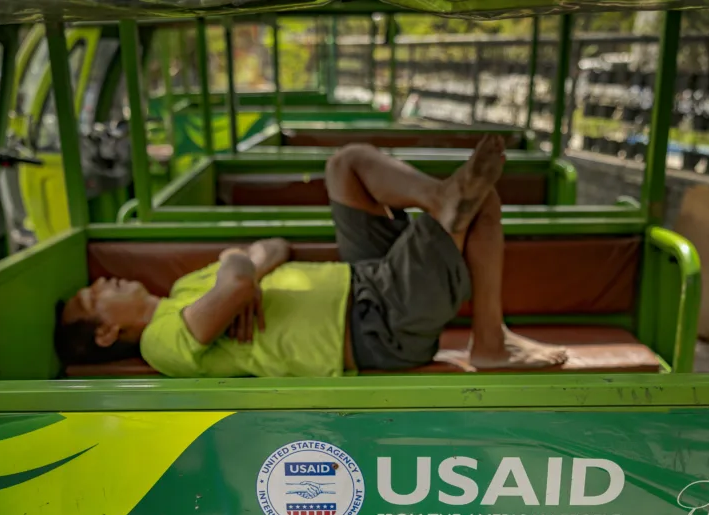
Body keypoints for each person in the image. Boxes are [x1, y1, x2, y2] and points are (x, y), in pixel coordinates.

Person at [55, 135, 567, 377]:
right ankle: (489, 340)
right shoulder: (159, 342)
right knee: (484, 202)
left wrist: (244, 267)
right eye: (93, 295)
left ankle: (440, 203)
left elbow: (272, 248)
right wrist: (240, 274)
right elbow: (237, 280)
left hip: (360, 279)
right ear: (105, 332)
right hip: (375, 325)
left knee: (347, 164)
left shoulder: (185, 293)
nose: (105, 283)